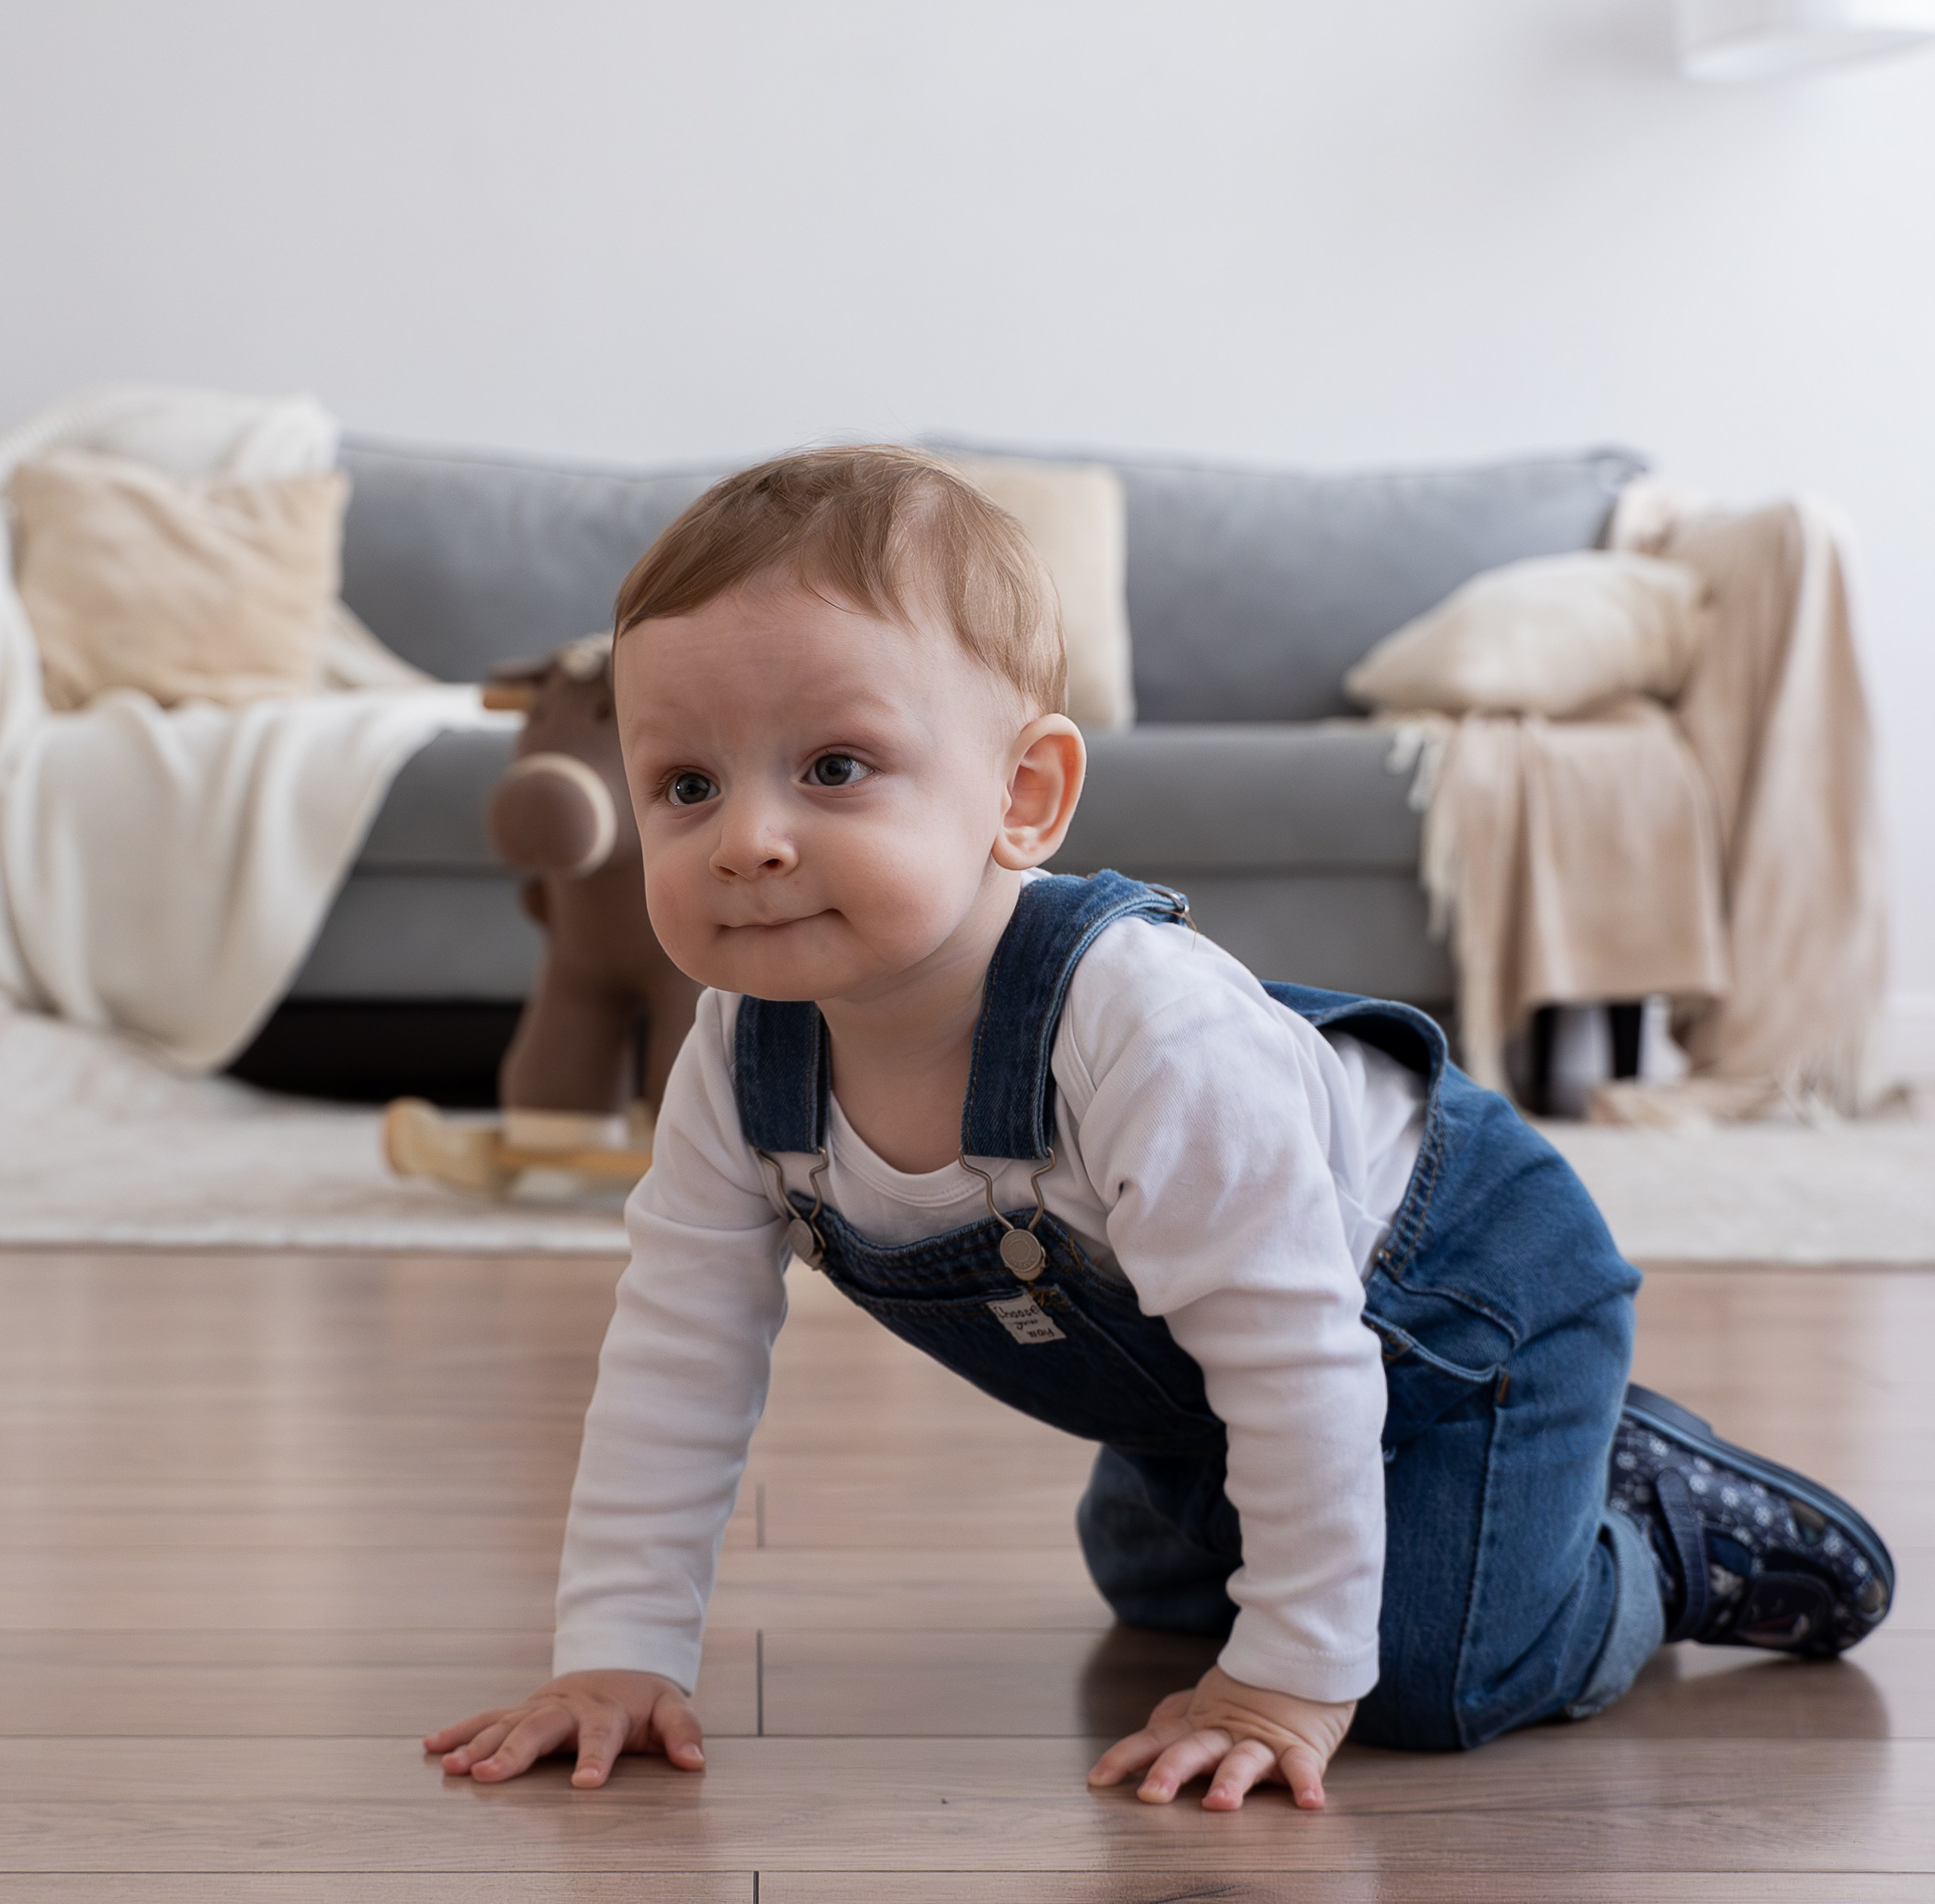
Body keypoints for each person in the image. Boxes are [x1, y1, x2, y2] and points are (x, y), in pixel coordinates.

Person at [426, 447, 1894, 1813]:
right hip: (1218, 1362)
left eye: (831, 768)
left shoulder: (1137, 1026)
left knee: (1428, 1677)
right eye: (686, 785)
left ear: (1022, 797)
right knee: (1151, 1584)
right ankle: (1389, 1530)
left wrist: (1286, 1682)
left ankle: (1646, 1521)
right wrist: (617, 1646)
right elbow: (677, 1353)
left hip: (1450, 1306)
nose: (746, 837)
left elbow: (1294, 1353)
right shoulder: (741, 1055)